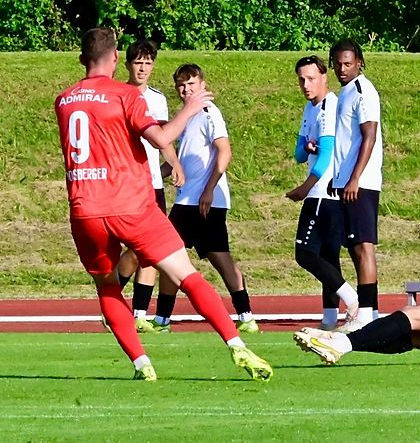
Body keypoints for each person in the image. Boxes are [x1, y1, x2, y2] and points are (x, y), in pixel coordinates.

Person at [54, 27, 272, 381]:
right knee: (186, 274)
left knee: (107, 287)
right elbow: (160, 138)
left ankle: (143, 365)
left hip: (85, 209)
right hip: (131, 204)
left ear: (82, 59)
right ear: (114, 59)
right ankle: (237, 346)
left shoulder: (64, 99)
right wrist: (190, 108)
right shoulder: (125, 94)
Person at [143, 64, 259, 333]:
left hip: (202, 202)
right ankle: (245, 315)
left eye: (191, 84)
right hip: (188, 200)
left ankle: (164, 319)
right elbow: (179, 160)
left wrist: (208, 190)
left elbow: (224, 151)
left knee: (184, 256)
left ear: (202, 85)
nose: (186, 90)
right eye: (182, 86)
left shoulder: (208, 112)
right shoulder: (189, 115)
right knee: (200, 256)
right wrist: (154, 176)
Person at [114, 39, 185, 331]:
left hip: (152, 183)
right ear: (128, 65)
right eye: (137, 62)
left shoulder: (157, 99)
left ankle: (139, 314)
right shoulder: (116, 95)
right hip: (126, 184)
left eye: (148, 62)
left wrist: (175, 164)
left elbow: (163, 138)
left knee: (151, 251)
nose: (143, 68)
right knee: (134, 250)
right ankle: (110, 292)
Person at [285, 55, 359, 331]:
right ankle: (330, 317)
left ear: (324, 78)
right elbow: (298, 154)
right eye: (301, 80)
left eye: (311, 79)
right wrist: (308, 147)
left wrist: (305, 188)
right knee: (329, 256)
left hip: (323, 192)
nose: (306, 85)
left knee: (304, 252)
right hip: (325, 192)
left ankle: (353, 300)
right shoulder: (310, 108)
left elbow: (326, 154)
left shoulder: (329, 106)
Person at [329, 39, 383, 331]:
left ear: (359, 62)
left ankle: (368, 312)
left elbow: (369, 136)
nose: (342, 68)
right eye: (337, 63)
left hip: (361, 182)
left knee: (364, 246)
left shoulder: (363, 91)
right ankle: (367, 310)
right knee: (352, 246)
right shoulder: (345, 92)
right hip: (346, 181)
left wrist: (354, 178)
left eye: (347, 63)